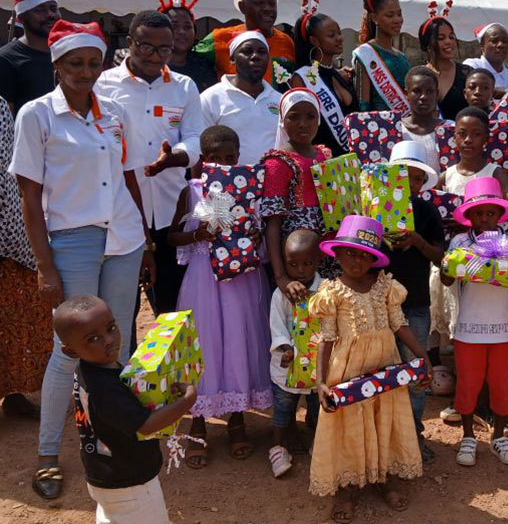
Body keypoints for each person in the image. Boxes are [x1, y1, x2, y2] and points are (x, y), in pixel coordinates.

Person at [11, 20, 154, 500]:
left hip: (125, 236)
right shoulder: (37, 115)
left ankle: (121, 434)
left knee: (120, 342)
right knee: (69, 350)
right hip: (72, 240)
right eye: (75, 63)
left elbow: (128, 177)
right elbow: (30, 198)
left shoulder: (113, 113)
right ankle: (49, 453)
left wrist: (146, 238)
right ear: (56, 65)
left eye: (93, 63)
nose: (85, 72)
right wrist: (44, 264)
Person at [309, 215, 428, 521]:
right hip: (347, 371)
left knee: (382, 419)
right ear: (337, 253)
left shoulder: (385, 286)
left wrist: (421, 354)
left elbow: (399, 325)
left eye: (365, 254)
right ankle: (349, 487)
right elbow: (326, 338)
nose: (357, 260)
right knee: (351, 425)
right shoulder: (331, 293)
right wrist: (321, 382)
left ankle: (382, 477)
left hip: (385, 367)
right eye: (350, 252)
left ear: (374, 258)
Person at [168, 124, 272, 467]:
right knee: (206, 344)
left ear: (239, 157)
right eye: (217, 159)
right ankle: (198, 422)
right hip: (203, 279)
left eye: (231, 158)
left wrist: (253, 237)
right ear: (204, 161)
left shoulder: (250, 191)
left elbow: (261, 230)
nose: (225, 164)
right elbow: (172, 238)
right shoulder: (193, 191)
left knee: (240, 342)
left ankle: (237, 420)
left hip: (242, 278)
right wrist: (197, 233)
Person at [94, 10, 204, 316]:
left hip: (172, 210)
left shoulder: (184, 86)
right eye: (146, 47)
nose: (156, 57)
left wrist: (175, 157)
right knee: (120, 306)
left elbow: (195, 137)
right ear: (129, 42)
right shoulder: (104, 84)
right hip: (123, 209)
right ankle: (119, 364)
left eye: (165, 49)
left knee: (173, 306)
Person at [54, 295, 196, 524]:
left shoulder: (90, 370)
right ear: (71, 351)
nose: (109, 340)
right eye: (93, 338)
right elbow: (147, 425)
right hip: (131, 483)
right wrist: (186, 402)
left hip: (105, 475)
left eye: (111, 328)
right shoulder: (105, 389)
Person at [441, 176, 508, 467]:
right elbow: (446, 277)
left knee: (501, 384)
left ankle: (499, 436)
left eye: (490, 212)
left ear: (499, 213)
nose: (484, 218)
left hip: (503, 329)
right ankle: (468, 435)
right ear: (469, 215)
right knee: (468, 383)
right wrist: (452, 262)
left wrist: (497, 266)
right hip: (469, 329)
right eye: (478, 212)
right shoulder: (459, 242)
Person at [384, 141, 445, 463]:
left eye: (418, 177)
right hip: (378, 304)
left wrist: (418, 241)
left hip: (416, 304)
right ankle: (384, 438)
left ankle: (413, 436)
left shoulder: (426, 210)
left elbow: (441, 256)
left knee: (416, 372)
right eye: (404, 174)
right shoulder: (372, 206)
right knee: (377, 370)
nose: (412, 182)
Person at [0, 95, 52, 420]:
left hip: (5, 237)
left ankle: (14, 395)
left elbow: (6, 176)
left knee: (13, 321)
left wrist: (14, 241)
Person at [261, 88, 333, 293]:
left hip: (325, 247)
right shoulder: (277, 162)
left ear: (318, 119)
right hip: (296, 255)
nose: (303, 124)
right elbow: (272, 223)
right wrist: (282, 277)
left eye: (310, 116)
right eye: (294, 117)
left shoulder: (324, 155)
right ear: (283, 120)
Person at [268, 229, 323, 477]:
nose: (300, 270)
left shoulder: (325, 292)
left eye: (307, 263)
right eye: (293, 264)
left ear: (318, 261)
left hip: (316, 366)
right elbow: (276, 325)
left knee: (316, 406)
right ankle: (278, 448)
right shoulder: (280, 295)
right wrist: (285, 347)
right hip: (286, 366)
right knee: (283, 407)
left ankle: (319, 444)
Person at [195, 0, 294, 88]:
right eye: (259, 3)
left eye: (272, 3)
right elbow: (187, 60)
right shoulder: (219, 38)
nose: (267, 8)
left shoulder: (287, 42)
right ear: (242, 7)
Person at [200, 31, 281, 164]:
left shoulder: (281, 101)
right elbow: (199, 151)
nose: (256, 56)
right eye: (247, 51)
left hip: (274, 183)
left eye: (262, 52)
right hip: (226, 183)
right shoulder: (210, 98)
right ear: (232, 59)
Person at [291, 4, 358, 156]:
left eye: (339, 33)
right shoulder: (303, 77)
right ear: (315, 41)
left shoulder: (339, 74)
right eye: (331, 35)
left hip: (350, 162)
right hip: (322, 163)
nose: (339, 38)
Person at [438, 106, 508, 215]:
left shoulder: (495, 173)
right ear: (454, 138)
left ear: (486, 139)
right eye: (462, 134)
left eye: (476, 134)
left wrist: (477, 220)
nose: (468, 140)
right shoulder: (445, 177)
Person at [0, 0, 60, 114]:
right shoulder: (6, 60)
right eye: (40, 10)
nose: (50, 14)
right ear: (21, 18)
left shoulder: (66, 52)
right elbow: (5, 122)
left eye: (53, 8)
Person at [353, 0, 410, 113]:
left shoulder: (402, 57)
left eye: (399, 14)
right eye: (390, 15)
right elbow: (363, 105)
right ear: (374, 18)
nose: (397, 20)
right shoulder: (366, 54)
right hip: (379, 129)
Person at [155, 0, 217, 92]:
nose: (182, 32)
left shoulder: (204, 66)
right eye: (174, 26)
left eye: (188, 27)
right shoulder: (149, 65)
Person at [419, 7, 471, 120]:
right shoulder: (418, 76)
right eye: (441, 38)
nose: (448, 42)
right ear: (427, 44)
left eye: (451, 37)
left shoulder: (467, 74)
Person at [398, 66, 452, 174]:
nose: (424, 97)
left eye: (429, 91)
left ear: (437, 94)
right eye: (417, 91)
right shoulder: (396, 130)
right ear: (406, 94)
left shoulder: (450, 129)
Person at [462, 23, 508, 93]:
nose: (501, 45)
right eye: (494, 41)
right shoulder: (472, 66)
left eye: (505, 41)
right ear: (482, 44)